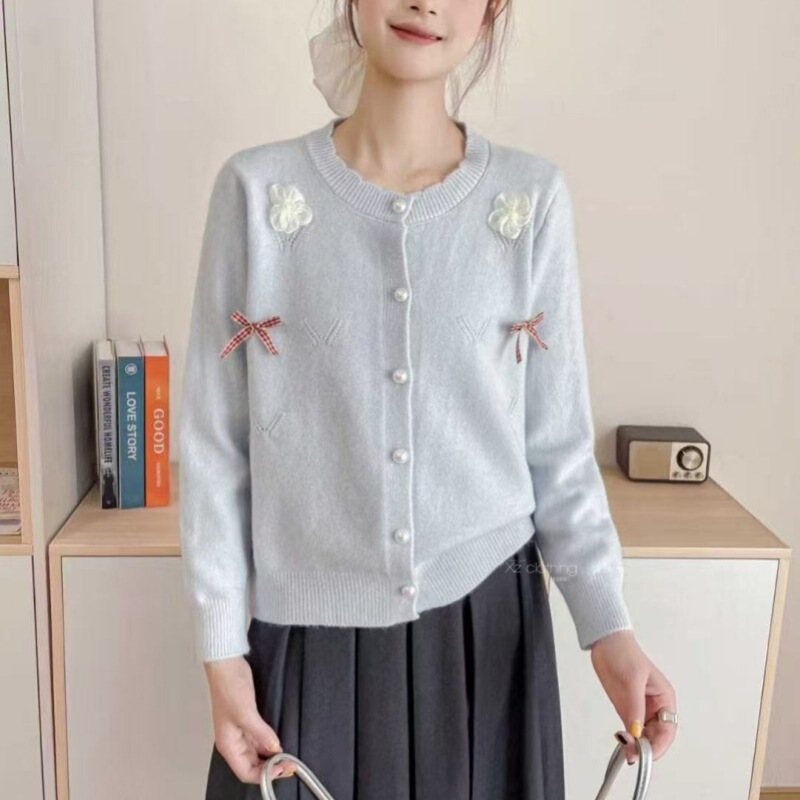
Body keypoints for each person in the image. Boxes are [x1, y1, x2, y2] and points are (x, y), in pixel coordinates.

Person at [179, 0, 678, 797]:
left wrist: (607, 627)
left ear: (492, 11)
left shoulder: (531, 200)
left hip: (488, 636)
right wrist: (220, 653)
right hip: (306, 635)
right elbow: (213, 447)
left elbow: (556, 448)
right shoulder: (255, 191)